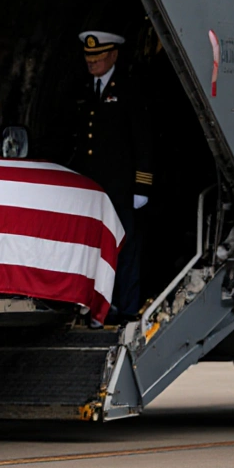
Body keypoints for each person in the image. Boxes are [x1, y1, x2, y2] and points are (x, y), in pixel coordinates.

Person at [68, 30, 153, 322]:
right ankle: (97, 306)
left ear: (113, 55)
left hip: (121, 187)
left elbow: (142, 138)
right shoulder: (83, 89)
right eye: (89, 58)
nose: (92, 63)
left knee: (125, 247)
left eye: (98, 57)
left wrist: (142, 184)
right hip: (92, 186)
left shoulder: (129, 89)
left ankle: (127, 307)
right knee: (93, 245)